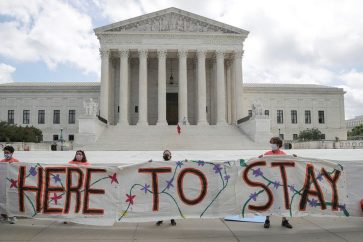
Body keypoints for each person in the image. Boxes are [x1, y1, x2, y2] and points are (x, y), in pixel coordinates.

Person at [260, 137, 293, 229]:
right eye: (271, 143)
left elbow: (290, 165)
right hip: (269, 182)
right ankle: (267, 220)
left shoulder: (283, 155)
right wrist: (258, 159)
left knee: (283, 200)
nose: (271, 145)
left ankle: (284, 220)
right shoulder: (267, 154)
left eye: (273, 143)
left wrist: (294, 158)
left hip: (281, 182)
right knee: (269, 200)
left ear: (278, 145)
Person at [156, 150, 177, 226]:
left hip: (170, 188)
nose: (166, 156)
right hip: (162, 188)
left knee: (170, 204)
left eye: (167, 154)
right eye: (165, 154)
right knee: (162, 205)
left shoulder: (173, 164)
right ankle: (160, 219)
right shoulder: (160, 164)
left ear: (170, 156)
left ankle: (172, 219)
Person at [0, 146, 19, 224]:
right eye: (5, 153)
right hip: (3, 184)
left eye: (7, 153)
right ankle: (4, 216)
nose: (6, 154)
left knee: (12, 201)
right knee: (2, 200)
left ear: (12, 153)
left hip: (12, 185)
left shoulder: (16, 162)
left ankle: (12, 217)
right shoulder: (1, 162)